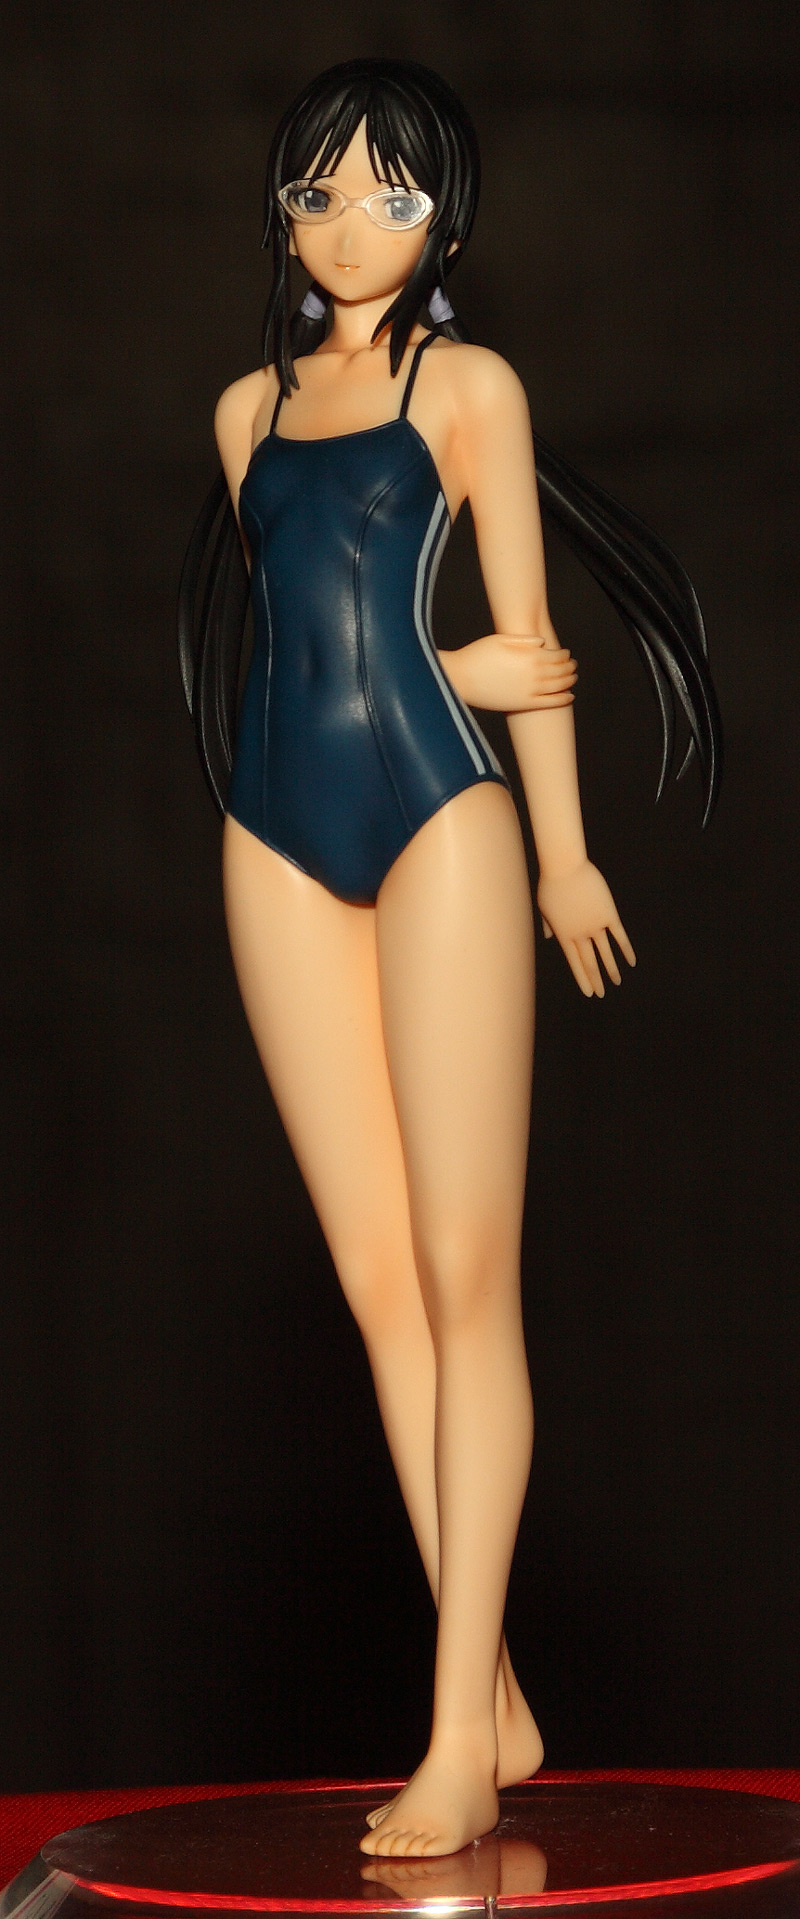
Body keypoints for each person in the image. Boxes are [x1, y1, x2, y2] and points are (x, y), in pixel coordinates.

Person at [179, 58, 721, 1858]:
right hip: (274, 835)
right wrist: (442, 667)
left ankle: (455, 1732)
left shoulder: (468, 387)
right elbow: (302, 639)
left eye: (392, 197)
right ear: (282, 210)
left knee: (463, 1268)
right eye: (321, 193)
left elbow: (528, 642)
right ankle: (493, 1695)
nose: (352, 227)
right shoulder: (247, 413)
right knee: (375, 1280)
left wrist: (563, 853)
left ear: (448, 221)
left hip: (441, 822)